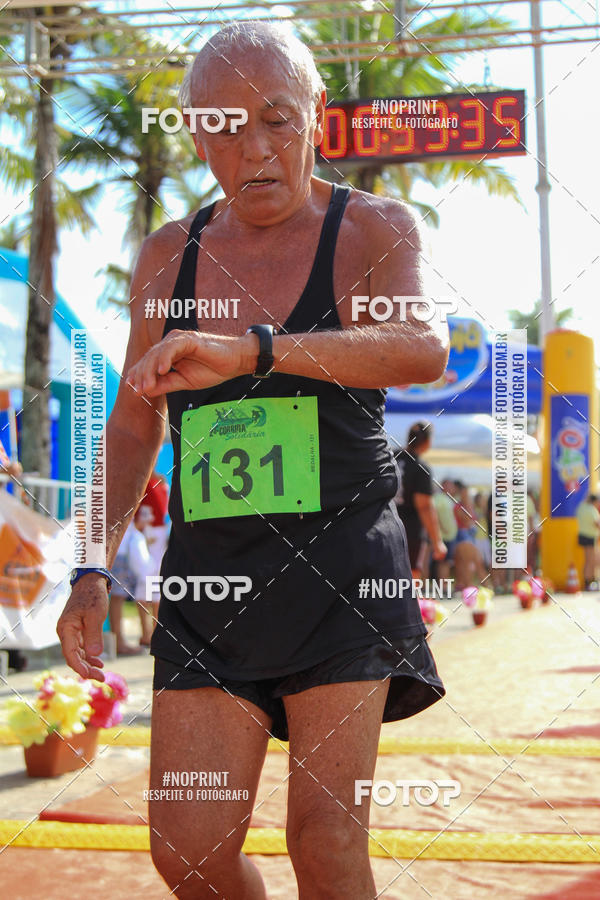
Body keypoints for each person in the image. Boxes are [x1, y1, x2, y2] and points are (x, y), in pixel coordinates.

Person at [57, 21, 449, 900]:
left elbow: (422, 347)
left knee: (324, 841)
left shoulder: (371, 228)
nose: (257, 149)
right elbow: (131, 425)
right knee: (186, 853)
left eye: (277, 118)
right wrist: (90, 565)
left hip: (343, 573)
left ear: (316, 115)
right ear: (194, 134)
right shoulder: (171, 255)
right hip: (211, 585)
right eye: (224, 126)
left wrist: (254, 351)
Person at [395, 422, 447, 576]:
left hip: (384, 526)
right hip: (410, 532)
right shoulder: (421, 467)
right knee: (410, 579)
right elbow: (424, 506)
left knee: (383, 579)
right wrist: (437, 542)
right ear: (428, 441)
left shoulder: (390, 457)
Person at [433, 479, 458, 581]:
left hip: (449, 536)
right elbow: (434, 514)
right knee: (444, 562)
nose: (452, 488)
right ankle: (443, 586)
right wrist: (443, 527)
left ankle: (444, 586)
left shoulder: (448, 499)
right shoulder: (438, 498)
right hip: (443, 536)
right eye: (449, 485)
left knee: (446, 563)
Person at [576, 493, 600, 589]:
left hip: (582, 535)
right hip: (590, 537)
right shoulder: (591, 510)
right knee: (591, 560)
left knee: (587, 560)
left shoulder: (582, 507)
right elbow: (597, 523)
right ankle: (589, 581)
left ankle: (587, 581)